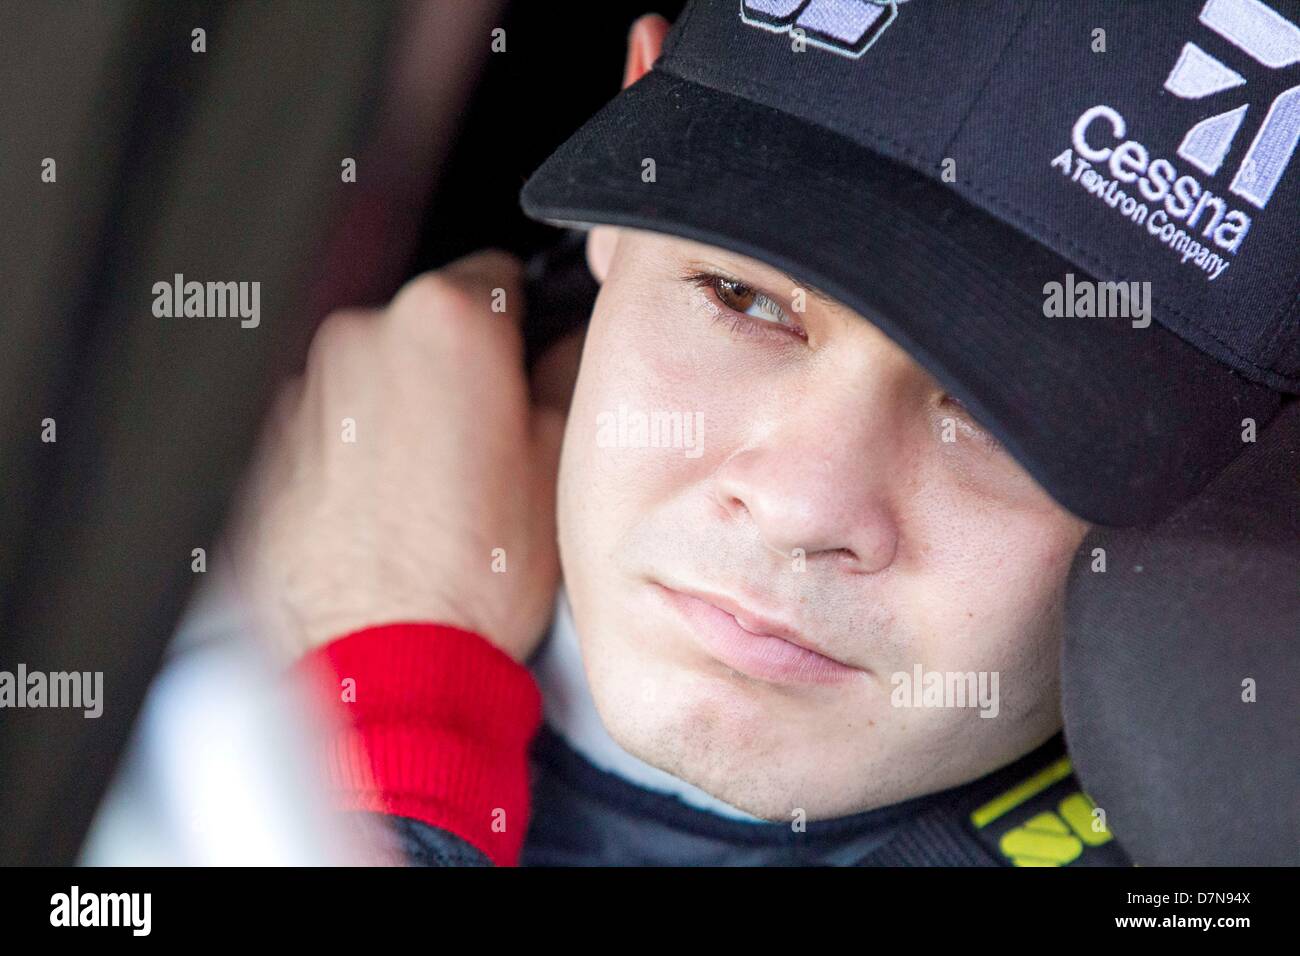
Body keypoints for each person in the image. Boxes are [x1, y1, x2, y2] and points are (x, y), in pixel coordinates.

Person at [232, 0, 1300, 866]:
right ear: (620, 175)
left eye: (1003, 412)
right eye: (741, 298)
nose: (800, 503)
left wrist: (392, 711)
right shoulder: (159, 501)